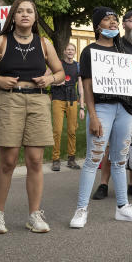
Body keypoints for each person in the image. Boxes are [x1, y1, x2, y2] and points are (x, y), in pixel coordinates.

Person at [0, 0, 64, 234]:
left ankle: (34, 215)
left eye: (29, 11)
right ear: (13, 16)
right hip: (9, 100)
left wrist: (50, 79)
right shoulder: (1, 41)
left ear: (35, 17)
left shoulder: (44, 43)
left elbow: (61, 72)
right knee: (9, 161)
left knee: (34, 160)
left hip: (38, 100)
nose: (24, 14)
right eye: (20, 11)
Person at [69, 7, 132, 228]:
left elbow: (131, 85)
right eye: (107, 19)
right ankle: (81, 208)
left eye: (115, 19)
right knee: (93, 159)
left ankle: (123, 207)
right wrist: (92, 115)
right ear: (97, 26)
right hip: (101, 108)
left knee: (120, 159)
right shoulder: (89, 52)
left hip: (124, 109)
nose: (113, 23)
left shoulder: (123, 52)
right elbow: (88, 86)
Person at [92, 10, 132, 199]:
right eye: (131, 21)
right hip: (119, 99)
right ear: (124, 24)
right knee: (113, 143)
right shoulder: (117, 43)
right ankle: (104, 183)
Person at [50, 43, 83, 172]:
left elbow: (80, 86)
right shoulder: (57, 64)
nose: (70, 51)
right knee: (57, 131)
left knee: (72, 131)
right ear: (64, 51)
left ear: (74, 52)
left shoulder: (78, 66)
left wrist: (81, 107)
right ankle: (55, 159)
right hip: (58, 99)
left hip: (72, 100)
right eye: (68, 49)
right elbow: (47, 77)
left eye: (72, 50)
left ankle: (71, 159)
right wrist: (55, 81)